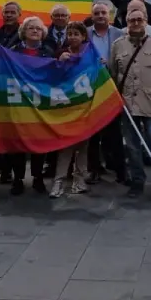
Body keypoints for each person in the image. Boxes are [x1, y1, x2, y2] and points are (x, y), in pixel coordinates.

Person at [109, 9, 151, 202]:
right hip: (128, 104)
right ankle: (137, 182)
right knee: (133, 146)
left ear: (145, 22)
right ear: (126, 23)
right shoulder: (117, 45)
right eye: (131, 20)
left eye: (139, 19)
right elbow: (113, 72)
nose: (135, 23)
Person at [9, 17, 57, 194]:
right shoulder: (13, 52)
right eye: (31, 28)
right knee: (18, 143)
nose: (35, 31)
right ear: (24, 31)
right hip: (19, 103)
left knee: (39, 142)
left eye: (38, 28)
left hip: (39, 103)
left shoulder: (48, 53)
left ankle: (38, 178)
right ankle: (18, 178)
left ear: (43, 32)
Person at [50, 22, 95, 198]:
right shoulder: (61, 53)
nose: (73, 36)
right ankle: (59, 181)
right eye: (70, 33)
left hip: (86, 106)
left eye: (77, 33)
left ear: (83, 36)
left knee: (84, 146)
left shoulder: (90, 53)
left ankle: (79, 180)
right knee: (66, 146)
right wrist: (59, 60)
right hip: (67, 106)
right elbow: (54, 73)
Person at [84, 2, 126, 184]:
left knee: (114, 133)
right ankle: (94, 169)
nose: (100, 15)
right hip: (90, 89)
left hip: (112, 88)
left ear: (109, 15)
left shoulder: (119, 33)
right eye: (97, 13)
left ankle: (120, 170)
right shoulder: (84, 33)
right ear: (92, 16)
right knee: (92, 134)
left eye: (103, 12)